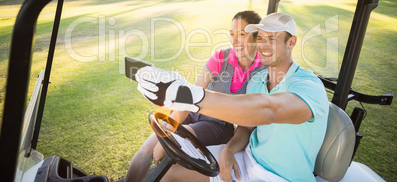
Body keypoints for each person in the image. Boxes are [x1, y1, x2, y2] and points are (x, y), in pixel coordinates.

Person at [135, 12, 329, 182]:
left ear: (292, 42)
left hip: (281, 177)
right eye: (260, 38)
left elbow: (269, 110)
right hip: (246, 160)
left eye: (271, 38)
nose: (263, 44)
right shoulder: (258, 80)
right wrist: (229, 149)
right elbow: (246, 127)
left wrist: (192, 96)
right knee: (169, 174)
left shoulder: (307, 85)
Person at [125, 10, 266, 182]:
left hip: (217, 125)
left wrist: (170, 137)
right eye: (231, 34)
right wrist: (168, 130)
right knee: (147, 148)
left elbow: (250, 121)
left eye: (241, 34)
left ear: (257, 37)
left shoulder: (262, 71)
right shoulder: (221, 57)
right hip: (191, 111)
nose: (234, 41)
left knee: (173, 142)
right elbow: (190, 96)